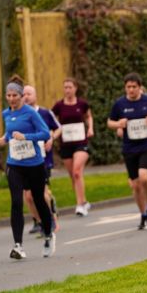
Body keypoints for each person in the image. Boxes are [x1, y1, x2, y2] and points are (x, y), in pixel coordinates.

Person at [0, 76, 54, 259]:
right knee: (16, 202)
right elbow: (9, 131)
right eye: (8, 95)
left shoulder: (31, 113)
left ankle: (48, 233)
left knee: (38, 200)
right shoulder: (6, 113)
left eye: (15, 95)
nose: (11, 98)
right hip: (14, 164)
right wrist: (4, 138)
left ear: (21, 96)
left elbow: (45, 133)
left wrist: (26, 137)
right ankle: (18, 245)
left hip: (34, 164)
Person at [107, 72, 147, 230]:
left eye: (134, 87)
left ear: (140, 87)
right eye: (128, 87)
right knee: (136, 185)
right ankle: (143, 214)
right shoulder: (120, 104)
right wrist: (118, 123)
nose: (131, 90)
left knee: (145, 178)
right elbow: (109, 123)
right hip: (129, 148)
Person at [52, 78, 93, 217]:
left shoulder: (82, 104)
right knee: (73, 176)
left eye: (70, 87)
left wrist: (90, 128)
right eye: (65, 87)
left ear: (75, 88)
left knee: (76, 172)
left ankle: (80, 205)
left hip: (81, 142)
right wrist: (54, 132)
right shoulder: (59, 106)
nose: (67, 90)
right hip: (66, 144)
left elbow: (89, 116)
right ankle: (84, 200)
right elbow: (52, 120)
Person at [22, 85, 60, 235]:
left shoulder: (44, 113)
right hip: (25, 159)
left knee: (42, 191)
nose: (26, 96)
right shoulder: (19, 115)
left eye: (29, 94)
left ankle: (51, 220)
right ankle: (38, 221)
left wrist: (51, 138)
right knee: (28, 195)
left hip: (43, 159)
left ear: (35, 96)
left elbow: (58, 128)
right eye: (23, 94)